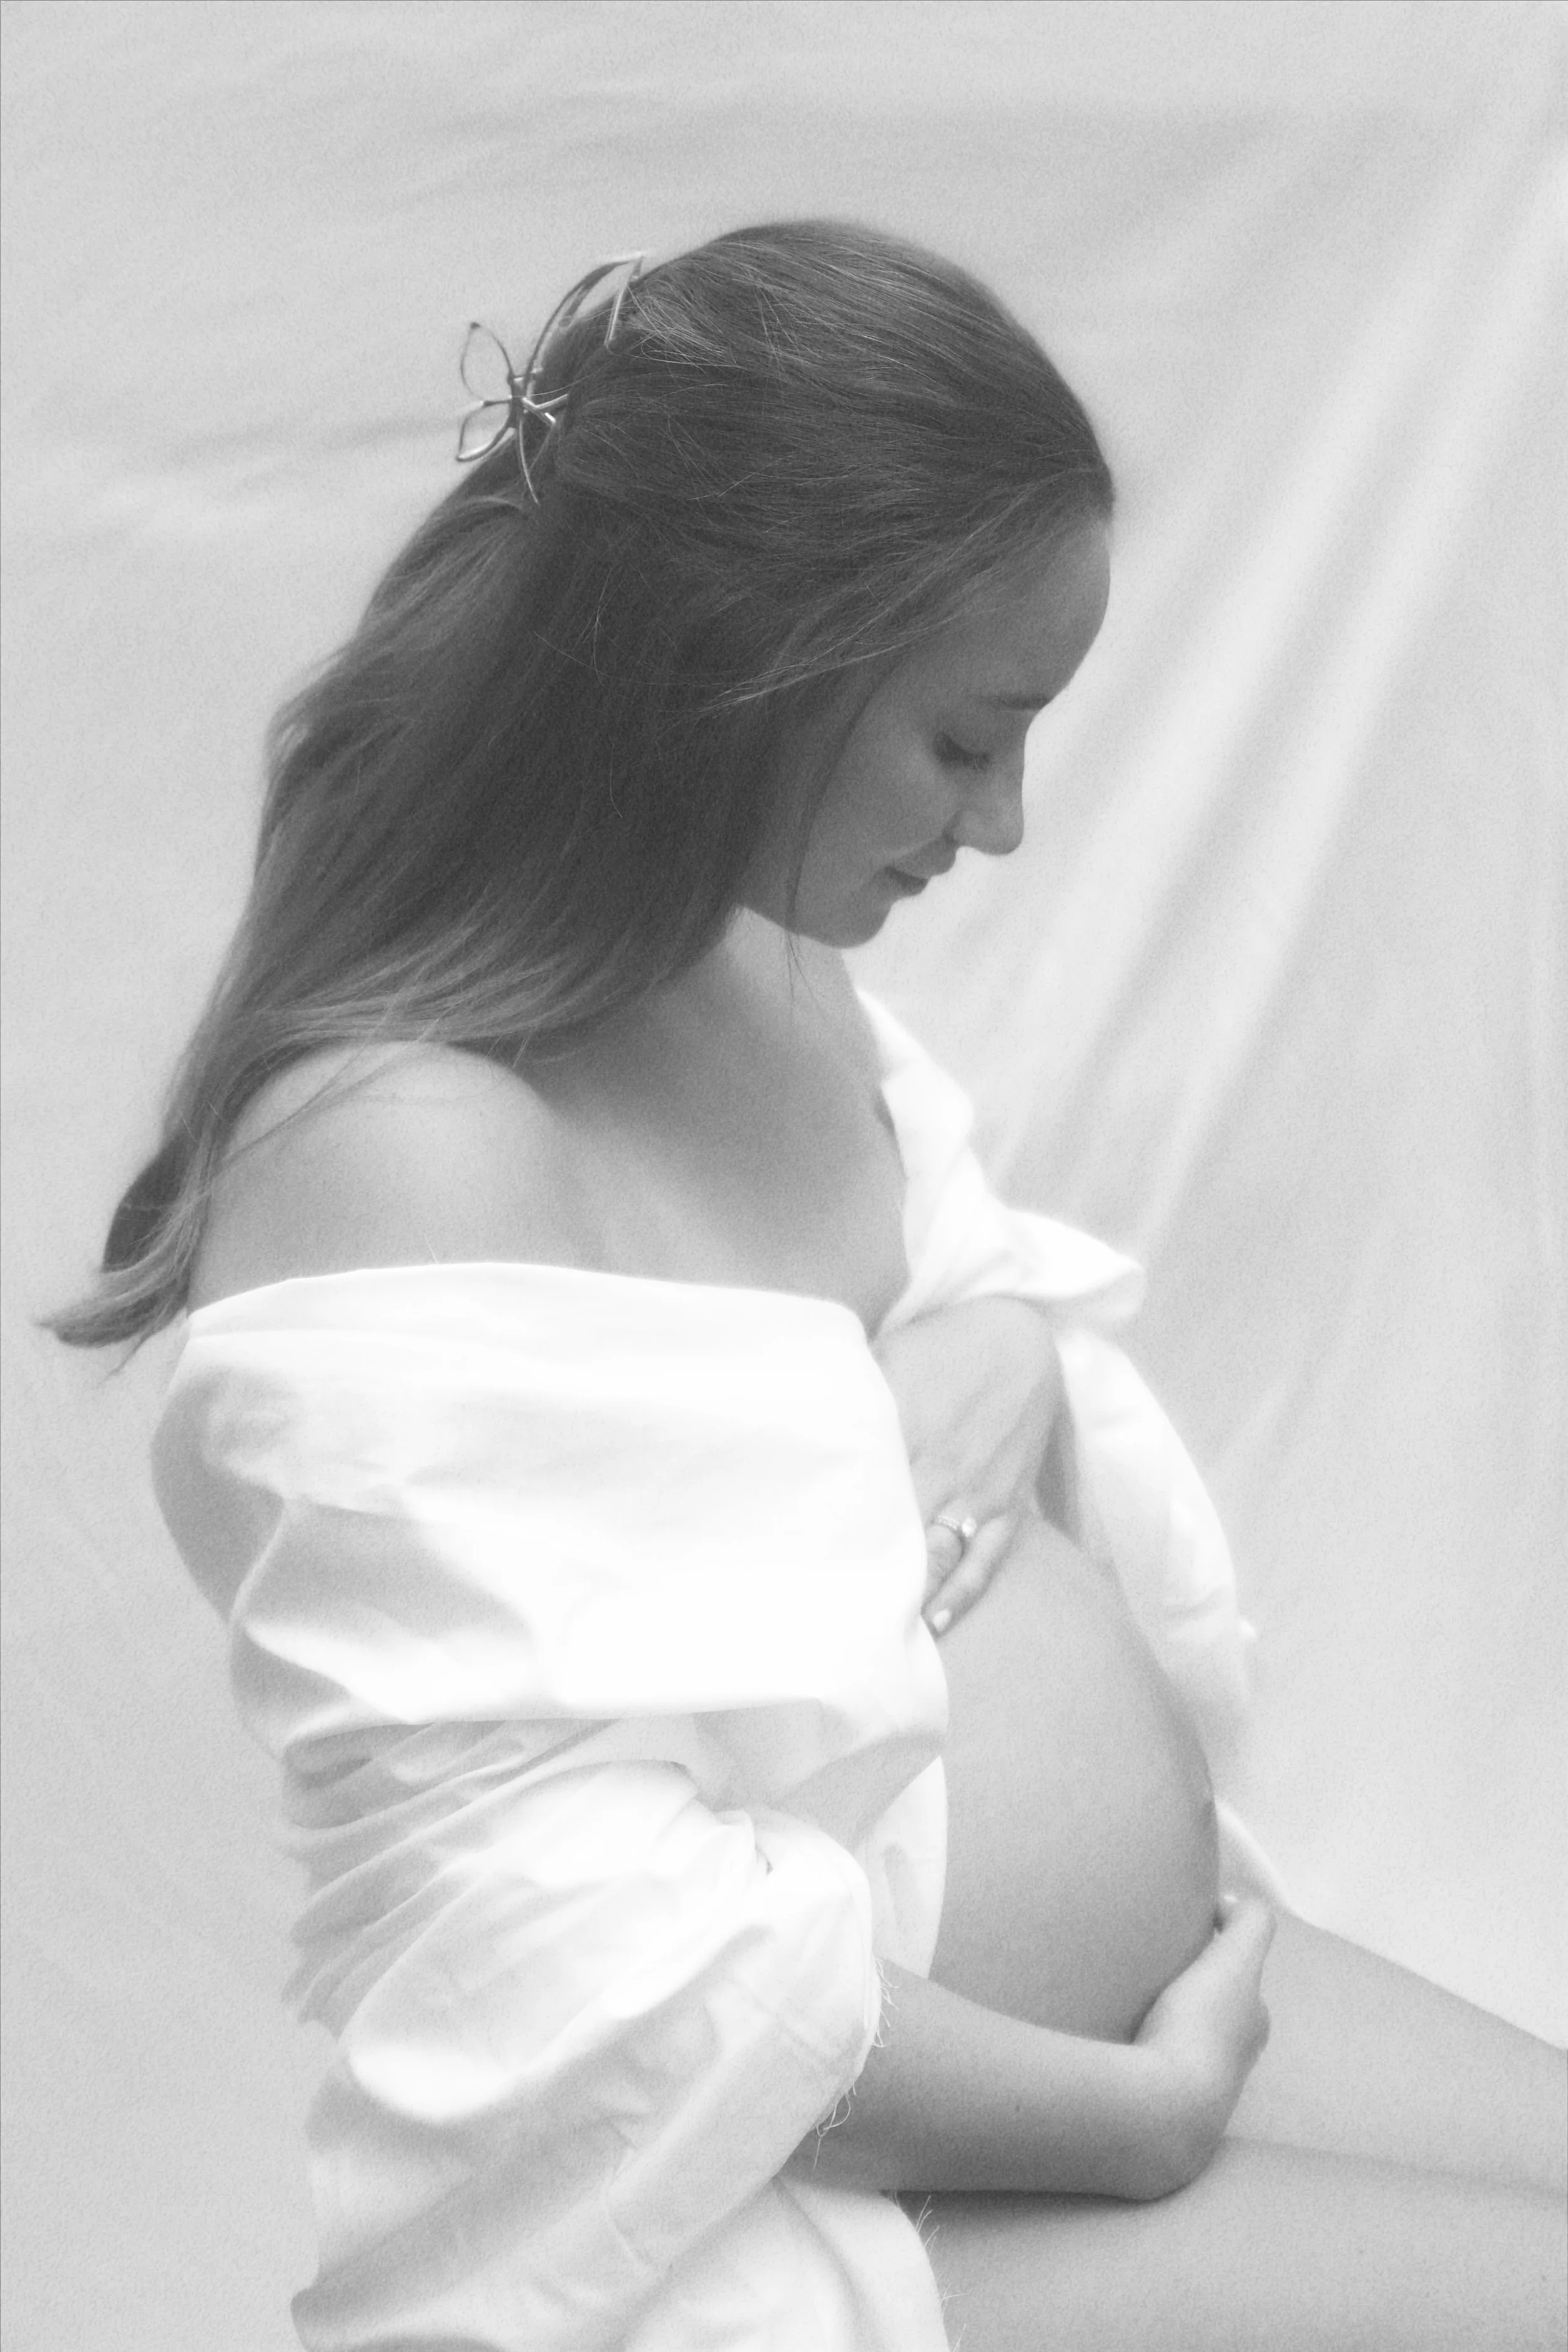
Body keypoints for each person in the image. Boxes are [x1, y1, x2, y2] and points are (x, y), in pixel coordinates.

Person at [55, 223, 1564, 2350]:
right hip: (760, 2199)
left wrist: (1000, 1343)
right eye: (966, 737)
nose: (1006, 820)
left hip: (1130, 2001)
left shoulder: (765, 975)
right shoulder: (401, 1145)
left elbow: (959, 1348)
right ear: (748, 667)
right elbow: (554, 1953)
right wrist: (1126, 2118)